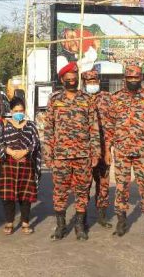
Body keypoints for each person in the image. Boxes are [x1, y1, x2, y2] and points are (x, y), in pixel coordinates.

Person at [43, 61, 100, 241]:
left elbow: (94, 127)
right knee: (60, 191)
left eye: (74, 79)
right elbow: (49, 128)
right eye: (68, 80)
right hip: (61, 155)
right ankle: (61, 226)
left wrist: (96, 152)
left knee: (82, 191)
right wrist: (48, 153)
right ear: (62, 80)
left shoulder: (87, 99)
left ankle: (79, 226)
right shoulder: (54, 99)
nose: (72, 82)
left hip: (83, 155)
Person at [106, 64, 144, 238]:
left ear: (141, 78)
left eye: (136, 78)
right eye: (129, 78)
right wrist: (107, 149)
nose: (132, 81)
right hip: (122, 149)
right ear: (125, 78)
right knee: (121, 187)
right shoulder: (115, 97)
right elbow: (109, 125)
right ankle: (121, 223)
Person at [0, 97, 41, 235]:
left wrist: (26, 150)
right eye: (16, 110)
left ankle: (25, 223)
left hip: (26, 164)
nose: (19, 113)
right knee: (8, 196)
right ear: (11, 111)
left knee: (25, 196)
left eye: (21, 110)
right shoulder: (4, 124)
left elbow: (36, 143)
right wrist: (9, 151)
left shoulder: (31, 125)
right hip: (8, 165)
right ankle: (9, 222)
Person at [80, 69, 113, 229]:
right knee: (84, 184)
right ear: (84, 83)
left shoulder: (107, 98)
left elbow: (113, 124)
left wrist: (109, 149)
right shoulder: (79, 99)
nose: (92, 84)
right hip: (84, 150)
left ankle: (102, 216)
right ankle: (83, 217)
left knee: (103, 182)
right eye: (89, 82)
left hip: (104, 147)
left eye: (95, 81)